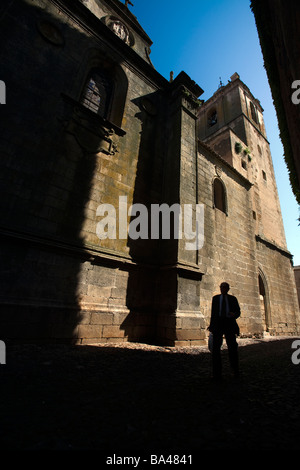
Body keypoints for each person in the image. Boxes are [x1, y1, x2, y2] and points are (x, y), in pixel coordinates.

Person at [208, 282, 241, 380]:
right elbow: (213, 313)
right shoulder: (216, 298)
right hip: (218, 325)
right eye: (221, 287)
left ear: (228, 289)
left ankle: (235, 370)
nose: (223, 289)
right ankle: (217, 373)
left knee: (232, 348)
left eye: (225, 287)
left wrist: (233, 315)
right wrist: (211, 326)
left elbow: (238, 312)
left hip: (229, 324)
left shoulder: (233, 299)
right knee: (215, 349)